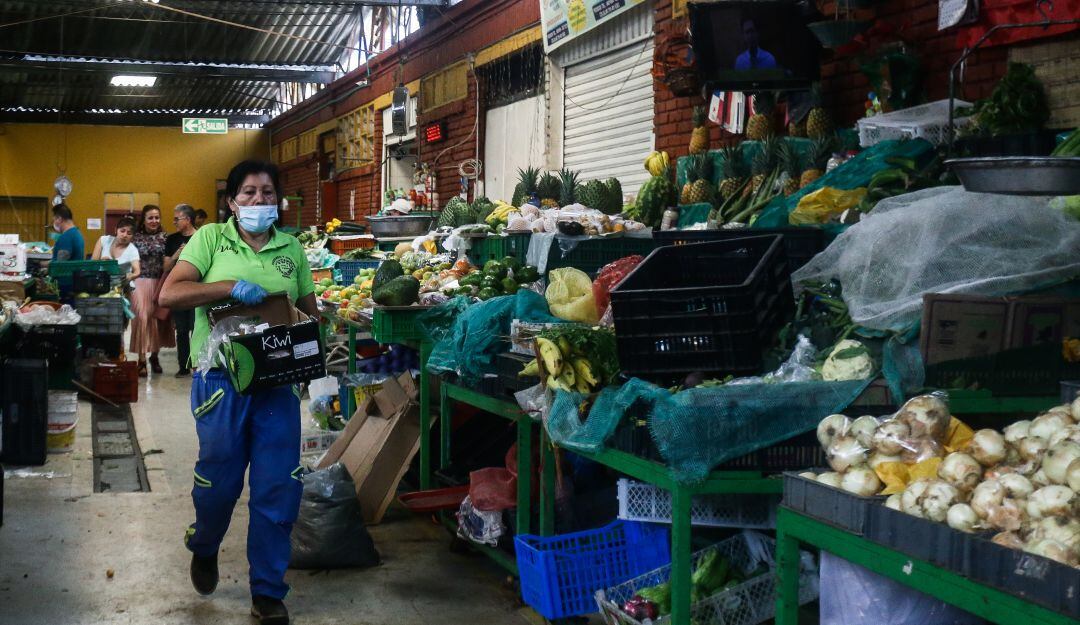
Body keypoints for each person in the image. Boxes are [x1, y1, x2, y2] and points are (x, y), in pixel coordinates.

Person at [159, 160, 316, 625]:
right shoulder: (210, 239)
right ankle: (205, 543)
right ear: (231, 202)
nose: (258, 201)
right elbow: (170, 294)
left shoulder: (292, 248)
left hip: (277, 384)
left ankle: (267, 590)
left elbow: (307, 312)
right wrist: (227, 287)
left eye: (267, 193)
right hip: (222, 381)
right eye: (248, 193)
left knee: (276, 487)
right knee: (219, 482)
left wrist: (311, 339)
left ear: (279, 202)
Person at [130, 204, 175, 377]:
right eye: (150, 217)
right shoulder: (135, 237)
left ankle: (154, 357)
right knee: (141, 317)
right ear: (144, 219)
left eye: (157, 217)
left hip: (160, 282)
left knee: (158, 320)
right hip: (139, 281)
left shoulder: (166, 238)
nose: (154, 221)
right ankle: (141, 360)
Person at [164, 204, 199, 377]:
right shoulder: (171, 240)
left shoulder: (202, 237)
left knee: (197, 327)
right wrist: (177, 253)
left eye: (177, 218)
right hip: (178, 290)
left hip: (198, 290)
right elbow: (165, 266)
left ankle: (197, 364)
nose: (175, 222)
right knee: (182, 329)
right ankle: (183, 365)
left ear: (188, 219)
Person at [91, 216, 141, 284]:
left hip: (122, 285)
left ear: (133, 236)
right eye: (122, 231)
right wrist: (102, 262)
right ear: (116, 230)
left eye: (129, 233)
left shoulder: (132, 250)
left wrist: (131, 275)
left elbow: (137, 271)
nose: (124, 235)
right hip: (102, 282)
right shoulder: (103, 240)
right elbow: (93, 263)